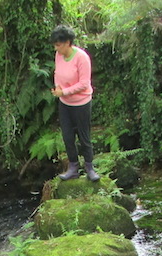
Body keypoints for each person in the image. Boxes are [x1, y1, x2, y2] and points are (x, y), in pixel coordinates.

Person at [50, 25, 99, 182]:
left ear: (68, 42)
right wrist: (58, 86)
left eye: (59, 44)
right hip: (65, 104)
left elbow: (84, 83)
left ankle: (89, 168)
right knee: (67, 136)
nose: (56, 48)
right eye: (55, 45)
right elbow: (57, 73)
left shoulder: (82, 58)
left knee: (84, 136)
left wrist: (64, 92)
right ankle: (73, 168)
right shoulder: (58, 55)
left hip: (81, 103)